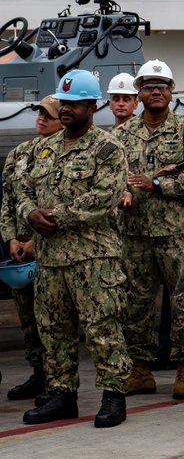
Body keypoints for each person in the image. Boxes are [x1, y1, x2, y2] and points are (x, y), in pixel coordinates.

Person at [19, 70, 131, 427]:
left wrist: (57, 216)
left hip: (93, 257)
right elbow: (21, 188)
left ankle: (114, 396)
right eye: (63, 103)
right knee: (53, 329)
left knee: (102, 328)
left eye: (74, 104)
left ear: (92, 107)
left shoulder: (108, 148)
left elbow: (104, 197)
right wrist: (29, 213)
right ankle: (62, 394)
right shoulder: (42, 148)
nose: (65, 109)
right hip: (50, 259)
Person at [118, 59, 184, 400]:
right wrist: (122, 192)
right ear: (139, 93)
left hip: (179, 232)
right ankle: (140, 369)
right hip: (135, 232)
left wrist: (158, 185)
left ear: (171, 93)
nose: (155, 91)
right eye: (148, 86)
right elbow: (109, 177)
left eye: (162, 86)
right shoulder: (121, 135)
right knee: (136, 302)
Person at [2, 95, 63, 402]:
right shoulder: (19, 155)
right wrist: (11, 239)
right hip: (21, 254)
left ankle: (58, 381)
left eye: (48, 114)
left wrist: (34, 243)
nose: (41, 118)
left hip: (53, 250)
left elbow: (62, 207)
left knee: (55, 321)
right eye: (39, 112)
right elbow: (8, 202)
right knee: (28, 319)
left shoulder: (65, 154)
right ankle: (38, 373)